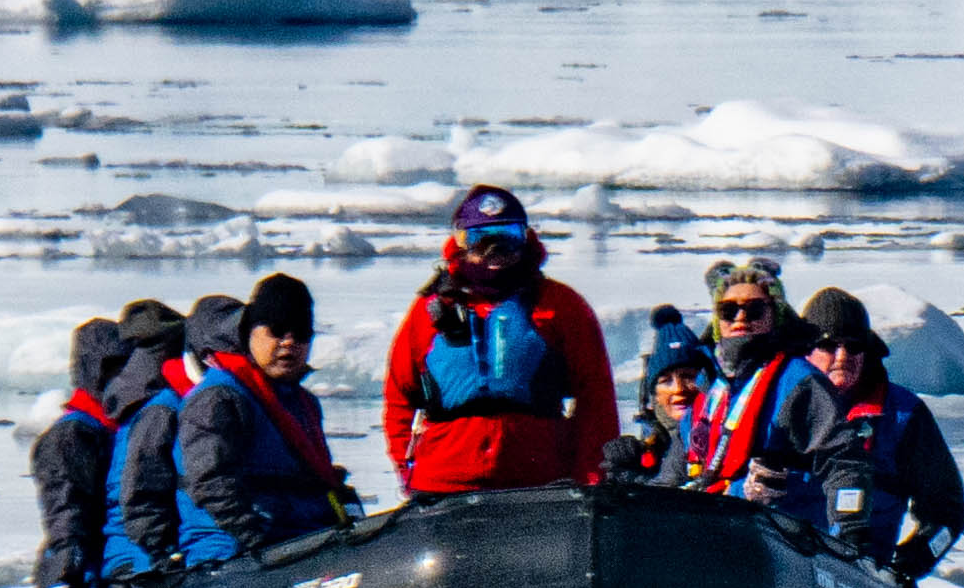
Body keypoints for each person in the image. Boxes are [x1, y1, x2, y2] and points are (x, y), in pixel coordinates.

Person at [383, 182, 617, 497]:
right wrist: (407, 470)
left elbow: (596, 398)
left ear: (526, 239)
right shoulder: (429, 311)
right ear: (461, 244)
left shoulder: (561, 306)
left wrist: (587, 477)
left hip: (538, 482)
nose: (495, 251)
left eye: (508, 236)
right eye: (479, 239)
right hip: (443, 483)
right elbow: (399, 399)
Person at [737, 290, 964, 583]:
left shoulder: (904, 416)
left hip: (857, 581)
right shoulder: (766, 402)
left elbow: (947, 512)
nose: (842, 356)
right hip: (778, 571)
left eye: (854, 346)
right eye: (828, 345)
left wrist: (906, 568)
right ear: (805, 350)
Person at [178, 273, 353, 557]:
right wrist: (256, 541)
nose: (289, 342)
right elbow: (209, 481)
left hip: (297, 538)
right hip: (237, 553)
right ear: (250, 332)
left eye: (301, 333)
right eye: (277, 330)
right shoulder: (220, 398)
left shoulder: (302, 402)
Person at [102, 286, 236, 577]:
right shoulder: (166, 409)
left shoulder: (212, 402)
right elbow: (141, 491)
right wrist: (159, 555)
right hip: (149, 559)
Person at [632, 254, 795, 484]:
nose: (679, 389)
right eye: (727, 311)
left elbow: (836, 459)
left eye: (755, 309)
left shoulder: (794, 380)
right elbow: (667, 485)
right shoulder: (707, 398)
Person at [23, 313, 133, 588]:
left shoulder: (119, 428)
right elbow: (66, 516)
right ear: (90, 371)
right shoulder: (72, 435)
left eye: (125, 366)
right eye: (110, 368)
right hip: (87, 579)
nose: (120, 378)